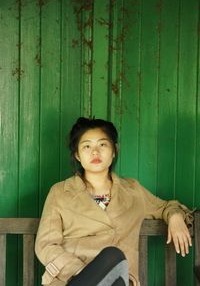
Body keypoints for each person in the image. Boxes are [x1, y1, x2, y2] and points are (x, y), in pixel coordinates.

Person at [35, 117, 193, 286]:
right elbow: (46, 245)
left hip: (119, 279)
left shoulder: (133, 191)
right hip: (72, 279)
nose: (95, 152)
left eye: (102, 144)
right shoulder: (60, 192)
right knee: (113, 257)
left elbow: (166, 207)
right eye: (87, 146)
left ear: (114, 150)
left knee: (114, 259)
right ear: (77, 155)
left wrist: (175, 216)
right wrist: (84, 271)